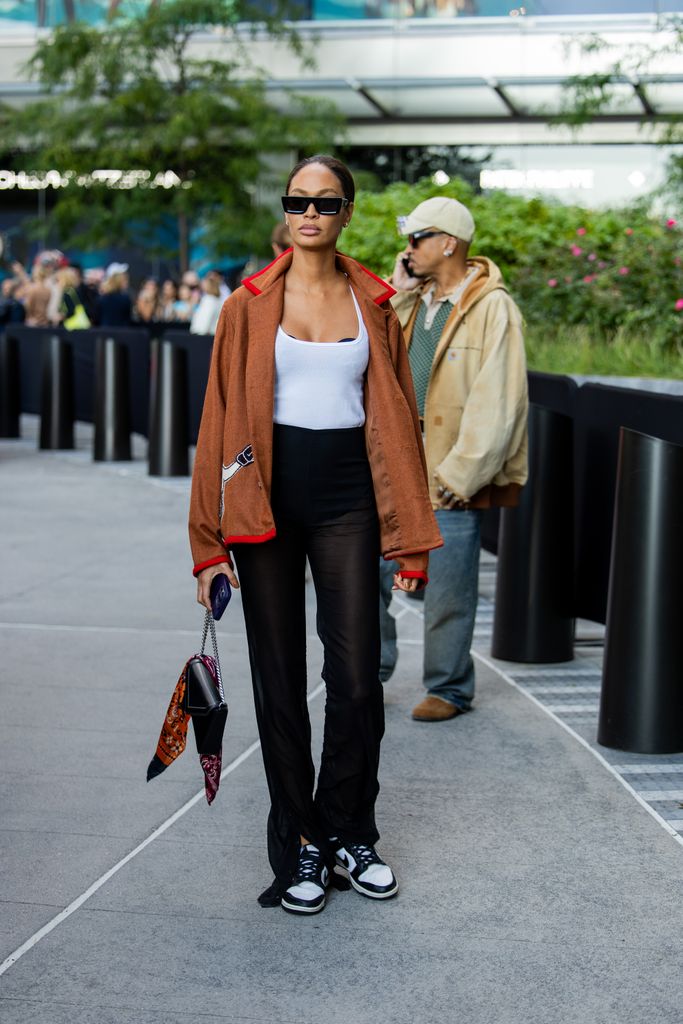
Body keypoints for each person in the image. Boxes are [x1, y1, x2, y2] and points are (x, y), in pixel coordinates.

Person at [189, 154, 441, 915]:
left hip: (348, 497)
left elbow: (396, 413)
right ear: (286, 211)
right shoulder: (246, 305)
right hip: (264, 496)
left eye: (325, 202)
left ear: (346, 213)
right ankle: (299, 841)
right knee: (277, 681)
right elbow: (214, 425)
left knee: (357, 678)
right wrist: (207, 545)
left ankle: (350, 831)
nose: (309, 213)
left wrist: (409, 523)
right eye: (297, 200)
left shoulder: (375, 300)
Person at [380, 196, 528, 722]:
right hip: (394, 466)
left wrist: (460, 474)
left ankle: (449, 687)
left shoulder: (493, 307)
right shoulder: (413, 300)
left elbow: (500, 400)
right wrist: (396, 293)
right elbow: (373, 352)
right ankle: (370, 674)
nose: (408, 248)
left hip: (448, 472)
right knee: (369, 575)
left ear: (449, 243)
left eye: (418, 238)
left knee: (447, 587)